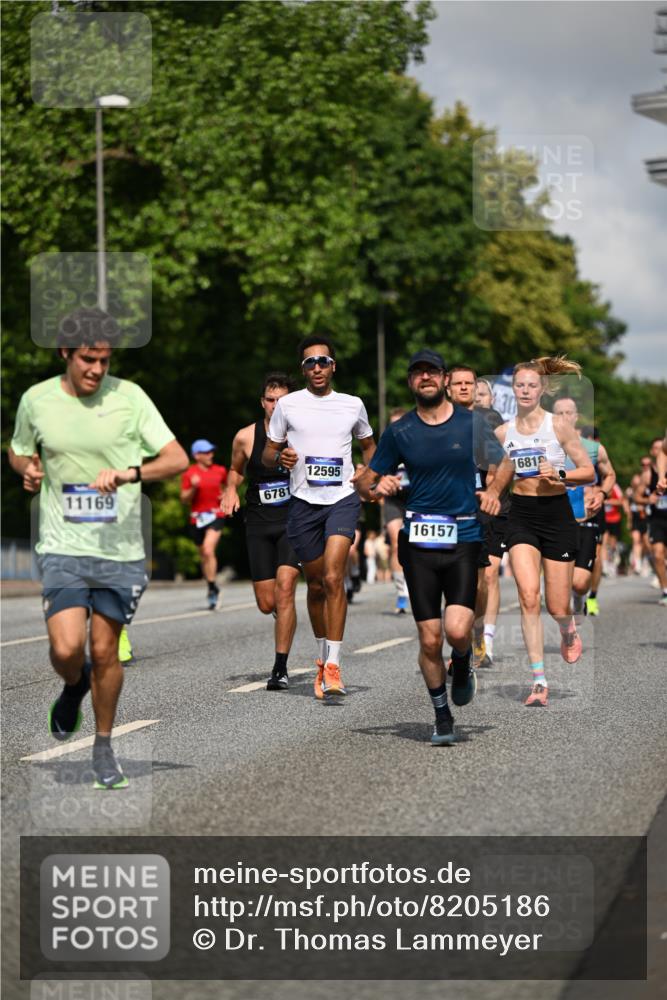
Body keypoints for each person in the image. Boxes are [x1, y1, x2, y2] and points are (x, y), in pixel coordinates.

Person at [8, 307, 188, 789]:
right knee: (68, 648)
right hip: (63, 544)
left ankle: (104, 749)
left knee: (106, 650)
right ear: (65, 353)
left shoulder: (130, 399)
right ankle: (73, 683)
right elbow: (19, 447)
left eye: (105, 361)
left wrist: (131, 473)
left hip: (120, 548)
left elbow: (176, 458)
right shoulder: (37, 400)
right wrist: (26, 468)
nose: (97, 370)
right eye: (88, 359)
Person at [355, 349, 509, 745]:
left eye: (432, 372)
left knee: (458, 631)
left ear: (443, 380)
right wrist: (377, 487)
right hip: (419, 541)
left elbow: (504, 462)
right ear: (411, 382)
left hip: (463, 537)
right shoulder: (401, 431)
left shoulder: (471, 424)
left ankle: (462, 664)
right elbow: (366, 481)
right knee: (428, 639)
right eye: (417, 373)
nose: (425, 378)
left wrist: (492, 490)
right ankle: (441, 715)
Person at [262, 336, 375, 699]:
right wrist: (281, 460)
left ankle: (334, 665)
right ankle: (322, 655)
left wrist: (367, 472)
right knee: (313, 586)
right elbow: (268, 454)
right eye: (310, 363)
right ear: (303, 369)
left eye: (323, 361)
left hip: (342, 499)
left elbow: (370, 445)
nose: (317, 368)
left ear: (333, 366)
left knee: (332, 577)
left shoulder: (352, 404)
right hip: (302, 502)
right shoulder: (289, 405)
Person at [494, 357, 595, 707]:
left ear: (542, 389)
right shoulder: (504, 433)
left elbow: (587, 471)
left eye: (531, 385)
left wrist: (560, 475)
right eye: (519, 385)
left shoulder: (558, 427)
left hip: (556, 516)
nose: (525, 390)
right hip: (521, 517)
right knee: (527, 595)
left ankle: (568, 629)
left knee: (556, 605)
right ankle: (539, 680)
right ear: (514, 389)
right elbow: (496, 479)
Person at [221, 372, 301, 690]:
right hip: (258, 522)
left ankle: (279, 668)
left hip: (294, 520)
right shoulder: (245, 437)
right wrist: (229, 490)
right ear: (262, 403)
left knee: (285, 589)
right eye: (270, 400)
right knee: (267, 603)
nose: (275, 405)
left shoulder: (303, 433)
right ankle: (282, 615)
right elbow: (235, 470)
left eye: (282, 400)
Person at [551, 397, 616, 615]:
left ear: (576, 417)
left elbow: (610, 475)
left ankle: (580, 597)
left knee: (579, 582)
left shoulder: (593, 448)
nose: (564, 417)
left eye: (569, 412)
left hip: (585, 518)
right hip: (555, 520)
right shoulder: (544, 446)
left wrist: (602, 493)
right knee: (559, 582)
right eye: (559, 413)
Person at [474, 378, 507, 664]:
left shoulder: (494, 420)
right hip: (467, 504)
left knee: (489, 574)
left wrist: (493, 484)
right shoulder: (455, 421)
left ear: (492, 397)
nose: (477, 397)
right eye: (474, 392)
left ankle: (487, 638)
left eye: (482, 392)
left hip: (496, 504)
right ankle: (470, 630)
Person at [180, 440, 227, 610]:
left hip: (215, 515)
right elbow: (184, 499)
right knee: (204, 556)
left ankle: (213, 586)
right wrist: (193, 487)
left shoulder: (220, 470)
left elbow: (228, 487)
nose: (210, 455)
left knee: (208, 549)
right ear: (196, 455)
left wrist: (226, 495)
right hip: (197, 519)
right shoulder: (190, 474)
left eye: (211, 452)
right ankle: (211, 587)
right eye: (206, 452)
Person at [383, 409, 411, 614]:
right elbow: (375, 474)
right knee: (396, 542)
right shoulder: (387, 446)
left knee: (418, 545)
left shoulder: (419, 442)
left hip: (416, 499)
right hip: (393, 500)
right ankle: (402, 593)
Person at [642, 436, 667, 606]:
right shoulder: (647, 474)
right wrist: (648, 499)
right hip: (657, 519)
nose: (659, 451)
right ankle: (665, 590)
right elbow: (637, 496)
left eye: (662, 449)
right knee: (657, 555)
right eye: (656, 449)